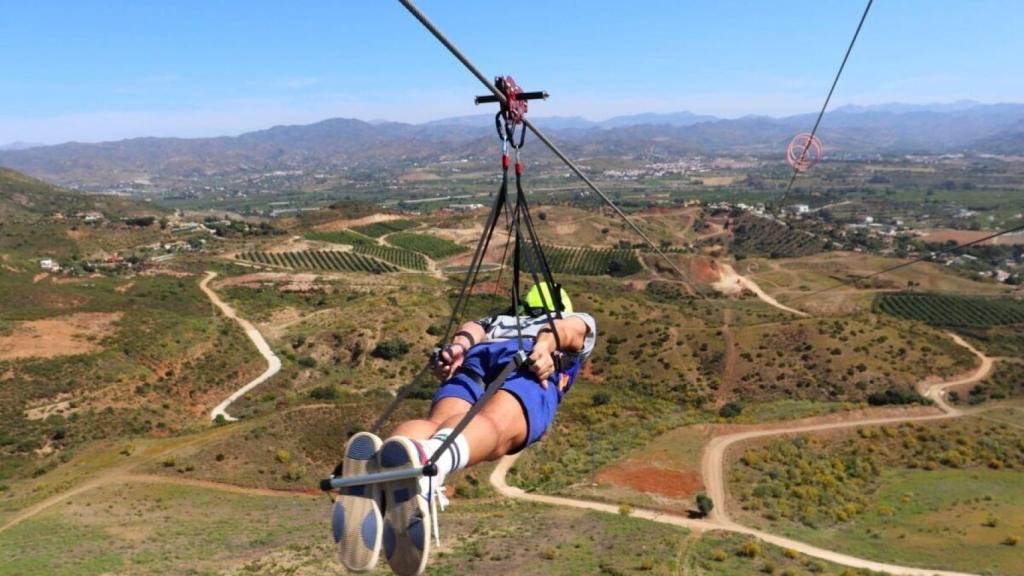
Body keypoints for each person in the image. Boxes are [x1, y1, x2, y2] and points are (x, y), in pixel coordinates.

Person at [333, 283, 597, 576]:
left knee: (436, 425)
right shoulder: (577, 321)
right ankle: (427, 461)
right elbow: (567, 329)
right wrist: (546, 347)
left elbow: (471, 328)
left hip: (478, 357)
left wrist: (458, 348)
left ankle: (383, 463)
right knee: (496, 428)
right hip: (530, 360)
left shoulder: (497, 321)